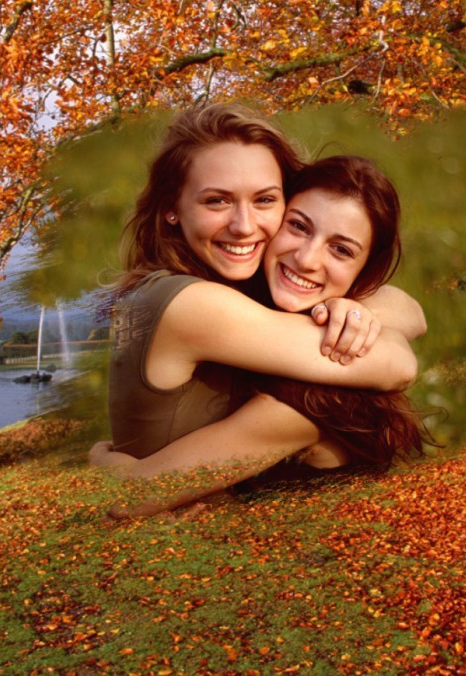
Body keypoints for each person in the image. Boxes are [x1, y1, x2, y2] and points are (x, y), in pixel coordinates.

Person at [91, 104, 425, 515]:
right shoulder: (191, 303)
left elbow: (410, 310)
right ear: (171, 208)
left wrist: (352, 308)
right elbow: (396, 364)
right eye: (217, 201)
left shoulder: (238, 293)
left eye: (265, 200)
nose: (245, 226)